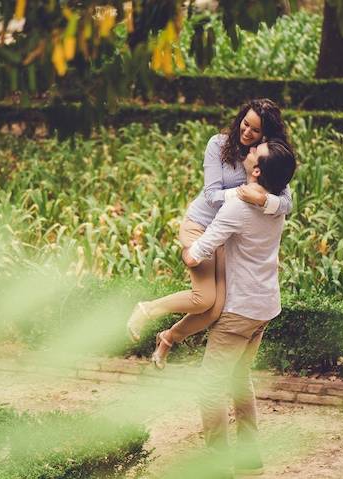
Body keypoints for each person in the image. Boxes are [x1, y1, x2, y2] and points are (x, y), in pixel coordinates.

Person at [126, 99, 293, 368]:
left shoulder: (267, 159)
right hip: (201, 226)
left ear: (267, 135)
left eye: (255, 130)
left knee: (215, 310)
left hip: (226, 236)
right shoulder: (218, 145)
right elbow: (213, 196)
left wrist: (263, 200)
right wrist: (243, 193)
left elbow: (286, 201)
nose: (246, 132)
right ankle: (146, 309)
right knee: (204, 298)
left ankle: (167, 338)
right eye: (245, 123)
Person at [183, 139, 296, 476]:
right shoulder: (275, 205)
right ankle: (250, 457)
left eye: (252, 155)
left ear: (257, 170)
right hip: (263, 306)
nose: (248, 153)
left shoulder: (237, 209)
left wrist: (186, 252)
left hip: (238, 311)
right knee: (238, 378)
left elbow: (200, 251)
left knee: (210, 387)